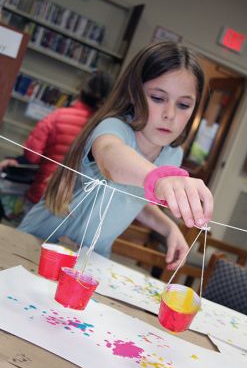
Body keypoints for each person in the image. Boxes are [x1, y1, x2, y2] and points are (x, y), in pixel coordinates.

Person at [19, 41, 213, 270]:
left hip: (89, 262)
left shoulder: (172, 155)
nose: (169, 114)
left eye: (183, 105)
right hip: (38, 245)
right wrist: (161, 178)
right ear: (134, 93)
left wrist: (169, 228)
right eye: (158, 98)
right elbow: (111, 158)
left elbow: (132, 198)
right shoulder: (113, 128)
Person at [0, 70, 113, 209]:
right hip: (75, 204)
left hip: (43, 194)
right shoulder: (106, 129)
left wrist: (15, 161)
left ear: (82, 90)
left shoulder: (57, 117)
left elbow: (32, 155)